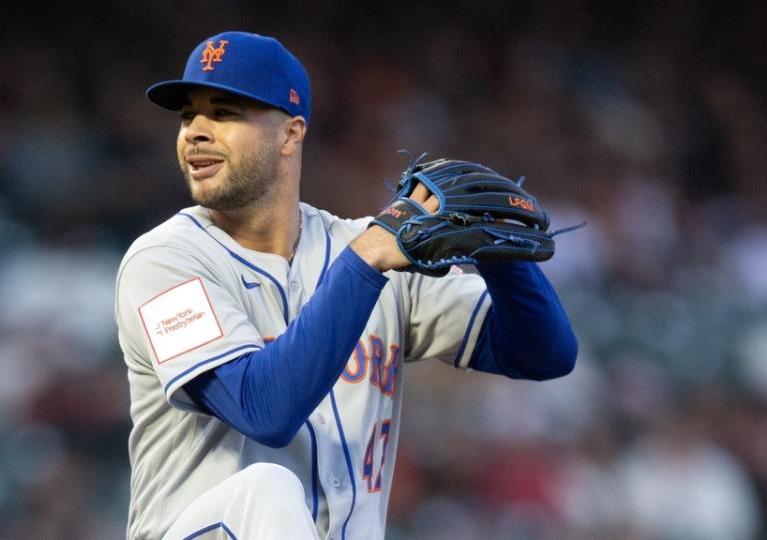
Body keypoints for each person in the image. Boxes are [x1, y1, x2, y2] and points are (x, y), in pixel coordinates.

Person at [114, 31, 578, 540]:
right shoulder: (163, 263)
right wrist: (366, 260)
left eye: (223, 112)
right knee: (268, 487)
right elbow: (263, 411)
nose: (196, 132)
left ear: (290, 134)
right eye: (187, 116)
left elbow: (544, 353)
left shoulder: (366, 248)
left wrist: (501, 256)